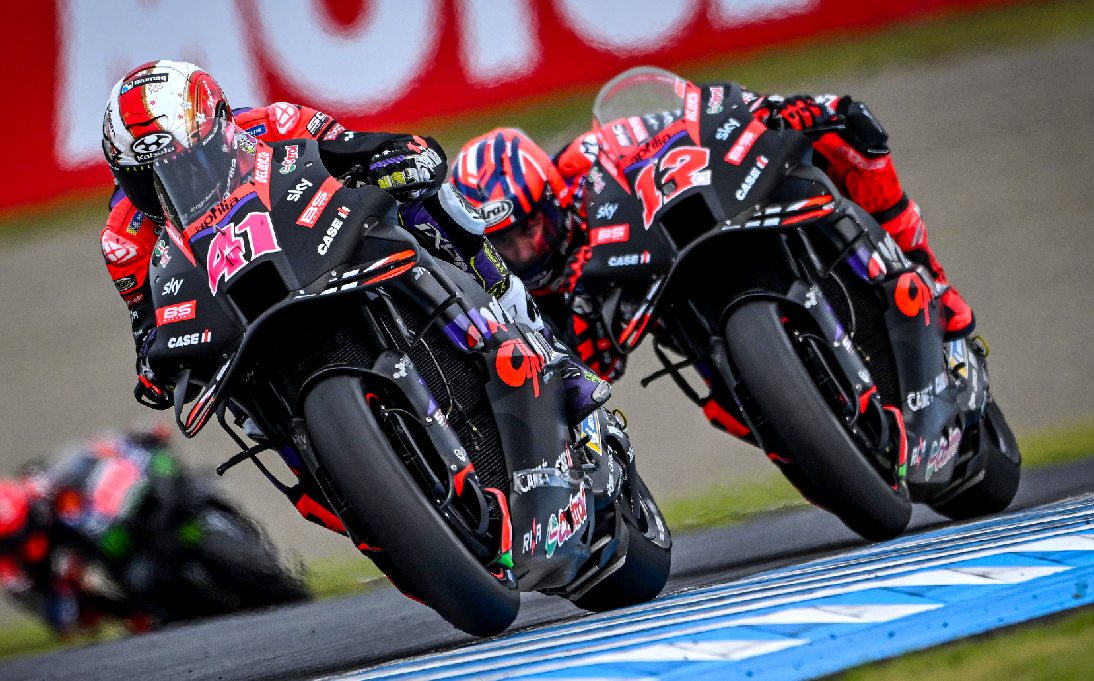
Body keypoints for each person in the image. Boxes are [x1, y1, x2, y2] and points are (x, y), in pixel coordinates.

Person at [100, 61, 609, 424]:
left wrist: (399, 156)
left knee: (430, 200)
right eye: (150, 176)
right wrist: (155, 367)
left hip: (320, 250)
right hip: (243, 318)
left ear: (222, 129)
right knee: (227, 398)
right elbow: (150, 325)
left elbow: (356, 154)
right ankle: (348, 505)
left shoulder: (276, 125)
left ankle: (536, 341)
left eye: (190, 161)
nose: (177, 183)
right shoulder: (124, 238)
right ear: (126, 178)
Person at [450, 80, 975, 385]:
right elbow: (589, 377)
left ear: (552, 198)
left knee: (845, 131)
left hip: (697, 234)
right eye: (503, 245)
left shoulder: (583, 161)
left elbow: (684, 128)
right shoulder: (520, 298)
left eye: (527, 228)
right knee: (723, 411)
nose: (523, 250)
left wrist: (765, 111)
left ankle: (931, 277)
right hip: (680, 317)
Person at [0, 429, 186, 635]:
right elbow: (52, 611)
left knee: (139, 448)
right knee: (77, 606)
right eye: (17, 536)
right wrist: (69, 585)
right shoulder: (10, 571)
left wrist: (139, 439)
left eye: (27, 524)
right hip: (79, 555)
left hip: (96, 522)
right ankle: (138, 613)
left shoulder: (38, 487)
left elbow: (85, 455)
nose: (26, 534)